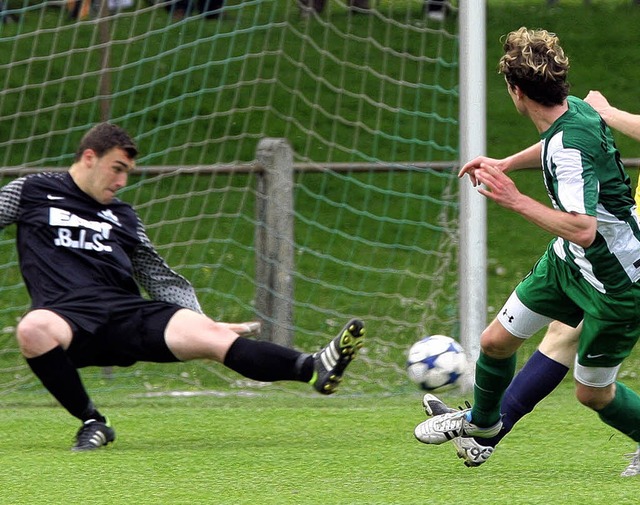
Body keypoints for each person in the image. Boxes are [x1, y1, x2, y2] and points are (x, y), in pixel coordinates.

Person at [6, 122, 366, 451]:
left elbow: (157, 275)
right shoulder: (33, 190)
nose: (121, 181)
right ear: (89, 157)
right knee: (34, 328)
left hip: (126, 314)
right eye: (116, 169)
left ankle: (313, 367)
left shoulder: (123, 215)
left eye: (127, 173)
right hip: (66, 316)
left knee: (213, 339)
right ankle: (93, 422)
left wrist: (200, 320)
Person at [413, 27, 640, 475]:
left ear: (516, 92)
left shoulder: (571, 145)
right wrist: (504, 162)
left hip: (616, 282)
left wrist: (514, 199)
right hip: (569, 264)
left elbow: (582, 228)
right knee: (495, 341)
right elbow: (552, 146)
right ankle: (481, 426)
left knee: (592, 393)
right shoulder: (572, 113)